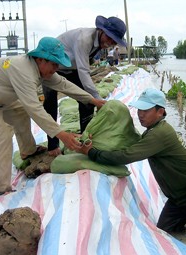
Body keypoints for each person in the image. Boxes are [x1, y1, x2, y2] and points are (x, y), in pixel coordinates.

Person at [76, 88, 186, 248]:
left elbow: (125, 156)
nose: (140, 114)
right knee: (165, 234)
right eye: (139, 110)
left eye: (146, 110)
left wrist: (92, 153)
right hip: (179, 198)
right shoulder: (154, 131)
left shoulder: (159, 134)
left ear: (160, 112)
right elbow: (130, 144)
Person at [0, 37, 105, 196]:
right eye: (54, 64)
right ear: (40, 59)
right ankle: (1, 188)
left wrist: (92, 100)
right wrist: (61, 134)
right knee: (1, 136)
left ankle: (28, 151)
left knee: (20, 112)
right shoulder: (23, 70)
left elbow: (64, 84)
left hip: (1, 98)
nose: (56, 68)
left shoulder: (40, 69)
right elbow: (34, 108)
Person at [43, 15, 127, 156]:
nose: (110, 43)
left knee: (87, 102)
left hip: (72, 69)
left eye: (114, 41)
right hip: (53, 68)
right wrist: (98, 99)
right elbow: (84, 71)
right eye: (109, 38)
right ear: (101, 30)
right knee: (50, 104)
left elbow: (83, 68)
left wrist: (93, 100)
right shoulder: (84, 39)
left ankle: (85, 139)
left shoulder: (99, 44)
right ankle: (53, 146)